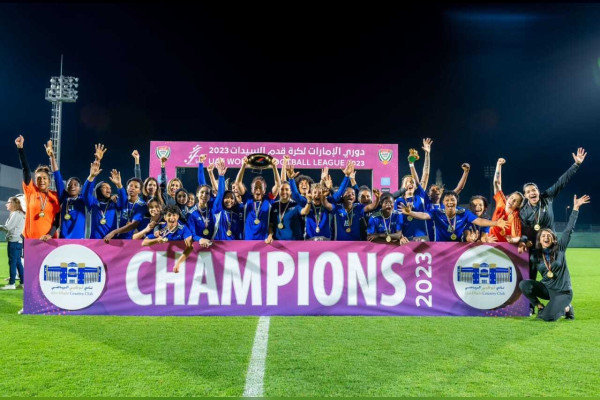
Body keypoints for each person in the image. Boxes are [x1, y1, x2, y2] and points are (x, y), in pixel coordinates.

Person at [519, 194, 590, 321]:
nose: (546, 238)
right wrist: (522, 242)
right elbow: (523, 236)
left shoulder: (560, 248)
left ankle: (567, 308)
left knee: (547, 317)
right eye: (543, 236)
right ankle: (539, 307)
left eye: (549, 235)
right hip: (547, 289)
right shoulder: (536, 255)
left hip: (563, 292)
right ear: (539, 240)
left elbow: (569, 230)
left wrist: (575, 209)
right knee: (524, 284)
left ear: (553, 238)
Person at [519, 148, 587, 270]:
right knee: (531, 276)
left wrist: (576, 164)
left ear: (538, 191)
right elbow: (523, 231)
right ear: (525, 196)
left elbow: (561, 182)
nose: (532, 193)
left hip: (552, 245)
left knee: (555, 275)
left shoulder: (547, 197)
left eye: (534, 190)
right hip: (535, 248)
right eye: (528, 192)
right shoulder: (523, 212)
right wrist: (523, 241)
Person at [401, 190, 507, 242]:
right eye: (447, 200)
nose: (450, 202)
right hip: (439, 248)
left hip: (457, 249)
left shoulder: (464, 213)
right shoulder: (437, 212)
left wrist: (496, 223)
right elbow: (424, 215)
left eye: (453, 200)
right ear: (443, 202)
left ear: (457, 201)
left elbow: (479, 221)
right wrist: (410, 213)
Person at [14, 135, 60, 240]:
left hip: (49, 241)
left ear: (49, 180)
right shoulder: (31, 191)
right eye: (39, 178)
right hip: (31, 241)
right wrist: (20, 148)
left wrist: (50, 235)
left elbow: (57, 221)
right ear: (35, 180)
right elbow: (25, 170)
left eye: (44, 178)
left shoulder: (55, 196)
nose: (42, 181)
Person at [45, 140, 87, 239]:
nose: (72, 186)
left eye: (75, 184)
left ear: (80, 188)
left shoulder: (83, 199)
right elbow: (57, 176)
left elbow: (89, 188)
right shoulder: (63, 196)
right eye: (69, 184)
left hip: (79, 241)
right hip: (63, 239)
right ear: (66, 187)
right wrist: (52, 157)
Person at [84, 161, 127, 239]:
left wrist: (119, 185)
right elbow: (86, 193)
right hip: (95, 241)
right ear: (98, 190)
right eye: (105, 187)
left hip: (112, 241)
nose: (109, 190)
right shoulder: (93, 203)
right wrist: (91, 176)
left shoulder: (113, 203)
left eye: (110, 188)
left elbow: (124, 202)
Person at [489, 158, 524, 243]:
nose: (512, 201)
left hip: (505, 248)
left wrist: (512, 240)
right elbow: (497, 183)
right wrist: (499, 165)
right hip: (489, 243)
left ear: (519, 205)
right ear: (508, 197)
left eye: (515, 201)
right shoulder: (502, 202)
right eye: (511, 198)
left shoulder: (516, 216)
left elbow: (517, 237)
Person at [0, 197, 26, 290]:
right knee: (18, 262)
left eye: (8, 202)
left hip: (14, 242)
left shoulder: (16, 214)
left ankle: (11, 283)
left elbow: (8, 227)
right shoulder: (20, 214)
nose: (6, 204)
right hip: (18, 241)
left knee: (13, 262)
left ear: (13, 204)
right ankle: (23, 282)